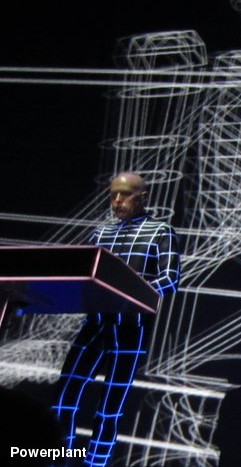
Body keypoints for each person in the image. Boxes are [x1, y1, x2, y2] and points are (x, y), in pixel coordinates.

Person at [52, 172, 181, 467]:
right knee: (64, 397)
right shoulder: (100, 234)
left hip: (130, 329)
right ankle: (60, 460)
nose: (118, 201)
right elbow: (81, 271)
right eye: (113, 195)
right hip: (95, 324)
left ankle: (95, 464)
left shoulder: (161, 232)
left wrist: (131, 293)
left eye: (125, 194)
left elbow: (170, 279)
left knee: (109, 408)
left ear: (143, 198)